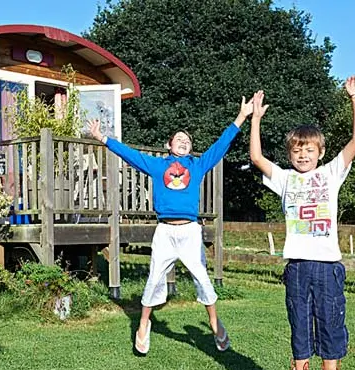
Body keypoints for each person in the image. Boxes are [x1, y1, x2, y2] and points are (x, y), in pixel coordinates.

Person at [87, 94, 254, 356]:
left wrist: (242, 116)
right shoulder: (157, 166)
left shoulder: (197, 166)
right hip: (165, 231)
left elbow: (221, 144)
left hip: (190, 232)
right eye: (179, 139)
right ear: (169, 145)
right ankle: (143, 324)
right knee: (154, 277)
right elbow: (130, 155)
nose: (184, 142)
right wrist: (102, 138)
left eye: (188, 140)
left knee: (201, 277)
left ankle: (214, 323)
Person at [247, 76, 355, 370]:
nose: (302, 155)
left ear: (320, 153)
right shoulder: (285, 179)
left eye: (309, 150)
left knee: (330, 331)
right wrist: (256, 119)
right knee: (300, 331)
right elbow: (256, 157)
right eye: (297, 150)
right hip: (297, 268)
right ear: (290, 154)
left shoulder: (331, 174)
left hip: (327, 268)